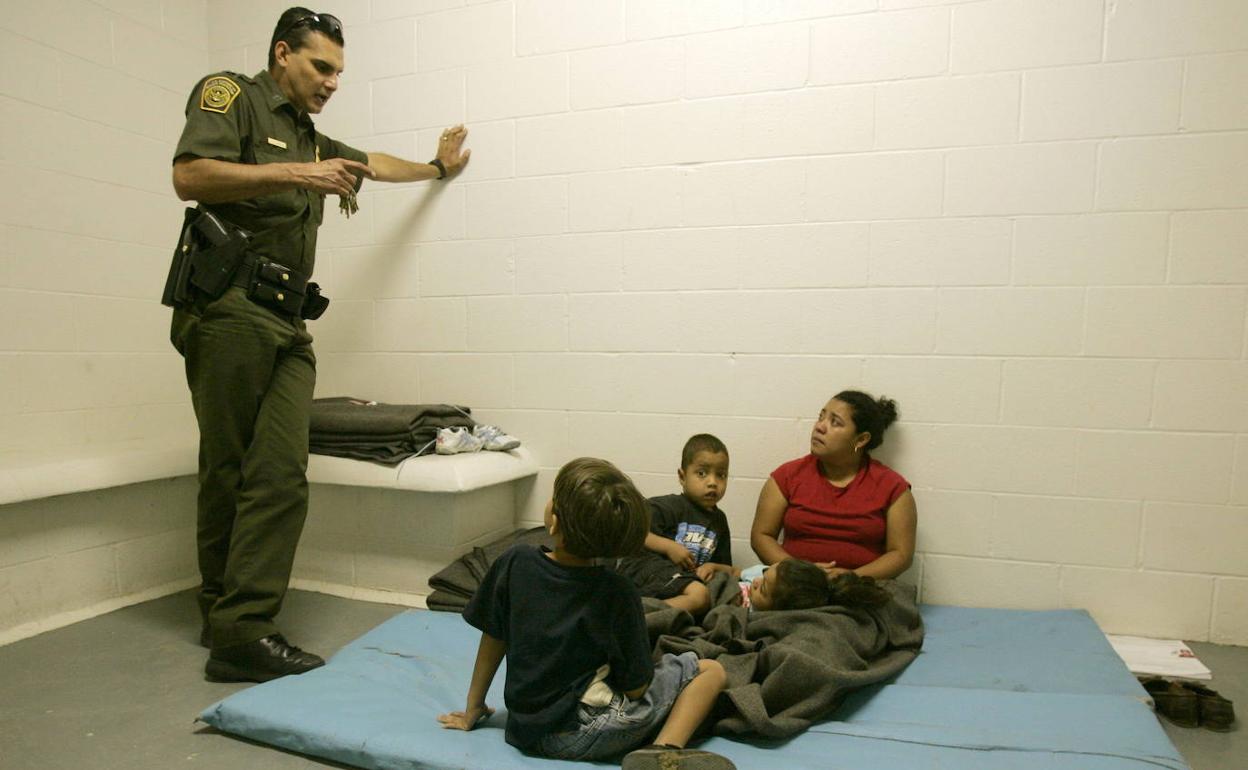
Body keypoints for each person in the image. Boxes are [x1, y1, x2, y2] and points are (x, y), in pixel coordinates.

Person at [168, 7, 470, 683]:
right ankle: (232, 622)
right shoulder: (232, 98)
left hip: (284, 320)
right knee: (230, 468)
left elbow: (373, 165)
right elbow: (190, 175)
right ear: (283, 54)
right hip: (228, 310)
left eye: (338, 71)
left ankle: (236, 622)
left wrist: (435, 167)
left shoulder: (308, 135)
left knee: (277, 473)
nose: (332, 81)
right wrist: (297, 176)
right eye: (320, 66)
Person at [437, 458, 735, 770]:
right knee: (709, 670)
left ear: (555, 522)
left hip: (525, 729)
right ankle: (663, 751)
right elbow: (636, 688)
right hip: (590, 731)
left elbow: (494, 634)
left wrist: (474, 706)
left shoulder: (514, 562)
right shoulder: (617, 590)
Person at [751, 391, 916, 580]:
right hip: (795, 586)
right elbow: (761, 536)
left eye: (835, 422)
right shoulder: (787, 476)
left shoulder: (893, 488)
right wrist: (800, 573)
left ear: (861, 439)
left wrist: (851, 578)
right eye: (821, 417)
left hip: (861, 589)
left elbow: (901, 555)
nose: (820, 427)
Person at [616, 435, 738, 617]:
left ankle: (650, 616)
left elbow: (727, 568)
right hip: (646, 570)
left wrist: (713, 567)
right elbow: (631, 531)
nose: (713, 482)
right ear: (682, 476)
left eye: (721, 475)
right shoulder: (667, 506)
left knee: (723, 595)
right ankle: (627, 618)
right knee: (699, 596)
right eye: (702, 473)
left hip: (680, 582)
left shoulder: (719, 520)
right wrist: (668, 547)